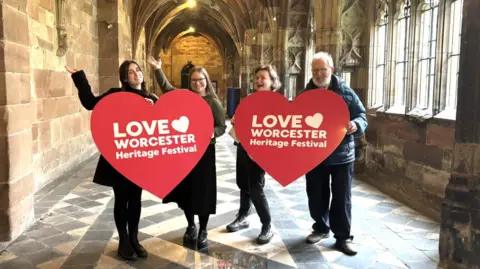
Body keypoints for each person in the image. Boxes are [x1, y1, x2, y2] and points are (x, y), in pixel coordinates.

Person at [66, 60, 156, 260]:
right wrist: (79, 77)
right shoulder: (116, 94)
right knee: (122, 198)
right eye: (130, 72)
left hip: (139, 158)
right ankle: (123, 241)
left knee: (136, 199)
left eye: (138, 70)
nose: (136, 74)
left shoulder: (151, 98)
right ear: (124, 77)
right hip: (120, 157)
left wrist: (153, 108)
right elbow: (90, 103)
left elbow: (160, 126)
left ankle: (134, 238)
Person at [147, 56, 226, 250]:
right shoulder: (185, 97)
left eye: (201, 79)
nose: (198, 83)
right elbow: (167, 89)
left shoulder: (213, 102)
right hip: (186, 152)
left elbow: (222, 126)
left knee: (204, 192)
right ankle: (191, 225)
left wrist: (211, 133)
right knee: (187, 191)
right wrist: (158, 69)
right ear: (189, 82)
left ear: (206, 81)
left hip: (205, 153)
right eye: (194, 80)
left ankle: (204, 229)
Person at [300, 51, 367, 256]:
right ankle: (321, 228)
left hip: (342, 155)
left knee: (342, 197)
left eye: (323, 69)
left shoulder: (345, 91)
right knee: (316, 194)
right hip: (314, 155)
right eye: (315, 70)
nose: (319, 74)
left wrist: (356, 124)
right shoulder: (305, 94)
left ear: (331, 70)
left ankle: (343, 237)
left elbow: (361, 115)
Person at [225, 65, 281, 245]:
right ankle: (243, 216)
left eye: (263, 77)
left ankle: (267, 224)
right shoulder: (249, 99)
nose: (258, 81)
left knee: (256, 187)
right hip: (243, 146)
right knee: (243, 183)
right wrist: (236, 120)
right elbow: (242, 119)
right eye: (257, 77)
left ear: (272, 81)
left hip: (261, 151)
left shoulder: (277, 102)